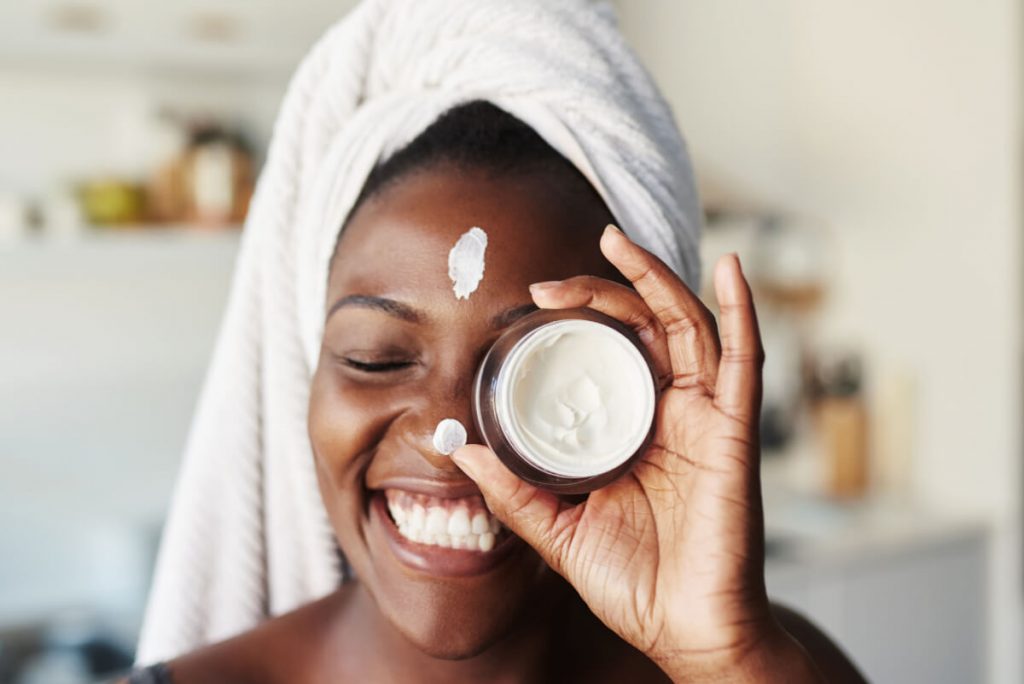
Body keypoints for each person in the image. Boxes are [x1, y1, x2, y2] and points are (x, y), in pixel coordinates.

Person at [129, 2, 867, 683]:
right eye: (375, 358)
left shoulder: (776, 666)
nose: (451, 437)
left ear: (648, 383)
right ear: (307, 372)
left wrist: (729, 663)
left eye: (531, 370)